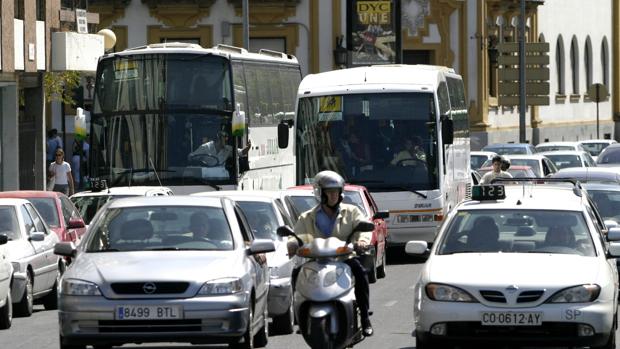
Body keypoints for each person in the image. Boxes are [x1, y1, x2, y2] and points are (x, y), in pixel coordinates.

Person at [287, 170, 374, 336]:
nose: (333, 196)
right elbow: (296, 236)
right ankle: (301, 316)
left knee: (361, 273)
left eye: (336, 192)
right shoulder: (307, 217)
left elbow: (363, 228)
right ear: (320, 193)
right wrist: (292, 245)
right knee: (297, 273)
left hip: (344, 259)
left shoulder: (352, 211)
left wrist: (362, 241)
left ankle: (364, 317)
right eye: (329, 192)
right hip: (316, 261)